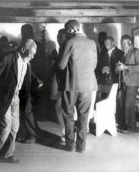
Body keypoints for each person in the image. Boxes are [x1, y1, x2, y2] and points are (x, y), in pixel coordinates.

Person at [0, 39, 37, 166]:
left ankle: (6, 155)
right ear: (23, 49)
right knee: (5, 127)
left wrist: (36, 80)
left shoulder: (26, 61)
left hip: (15, 97)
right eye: (31, 53)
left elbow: (26, 74)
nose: (32, 57)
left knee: (14, 127)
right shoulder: (7, 59)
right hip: (4, 97)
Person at [58, 20, 97, 153]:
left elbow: (61, 65)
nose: (66, 33)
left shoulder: (69, 42)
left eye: (66, 30)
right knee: (83, 116)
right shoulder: (92, 43)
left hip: (71, 85)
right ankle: (81, 147)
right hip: (88, 86)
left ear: (71, 29)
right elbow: (94, 65)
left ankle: (70, 145)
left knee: (68, 114)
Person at [116, 34, 139, 134]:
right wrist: (118, 68)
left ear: (130, 43)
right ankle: (125, 125)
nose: (123, 45)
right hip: (124, 82)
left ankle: (131, 128)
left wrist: (126, 67)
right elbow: (122, 68)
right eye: (121, 43)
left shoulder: (137, 52)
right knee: (124, 104)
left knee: (129, 104)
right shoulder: (124, 53)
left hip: (133, 82)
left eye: (124, 43)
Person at [49, 28, 67, 143]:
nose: (58, 39)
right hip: (62, 83)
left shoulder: (66, 49)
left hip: (66, 83)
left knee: (61, 108)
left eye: (60, 36)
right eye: (57, 36)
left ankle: (67, 134)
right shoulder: (61, 49)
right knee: (60, 107)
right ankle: (66, 133)